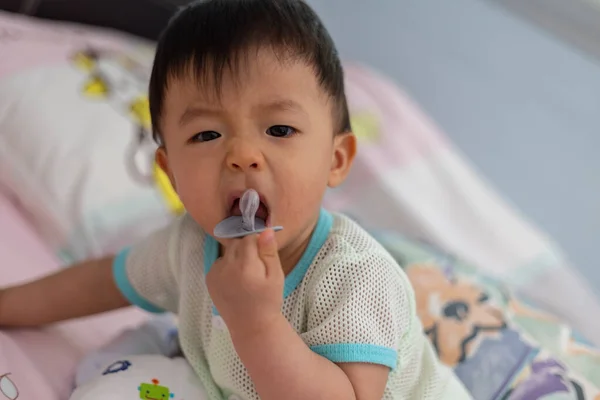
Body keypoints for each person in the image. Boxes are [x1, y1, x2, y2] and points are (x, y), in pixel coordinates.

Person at [0, 0, 471, 399]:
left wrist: (256, 322)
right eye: (206, 134)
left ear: (336, 158)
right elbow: (105, 282)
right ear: (170, 173)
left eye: (279, 130)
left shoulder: (354, 275)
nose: (242, 156)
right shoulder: (184, 247)